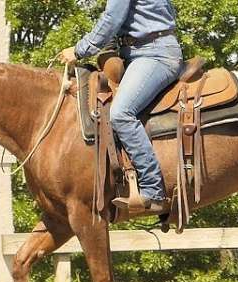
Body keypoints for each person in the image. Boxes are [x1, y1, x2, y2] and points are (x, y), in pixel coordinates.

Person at [60, 0, 184, 214]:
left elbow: (112, 19)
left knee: (120, 113)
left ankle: (153, 189)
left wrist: (79, 50)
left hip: (154, 54)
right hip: (139, 52)